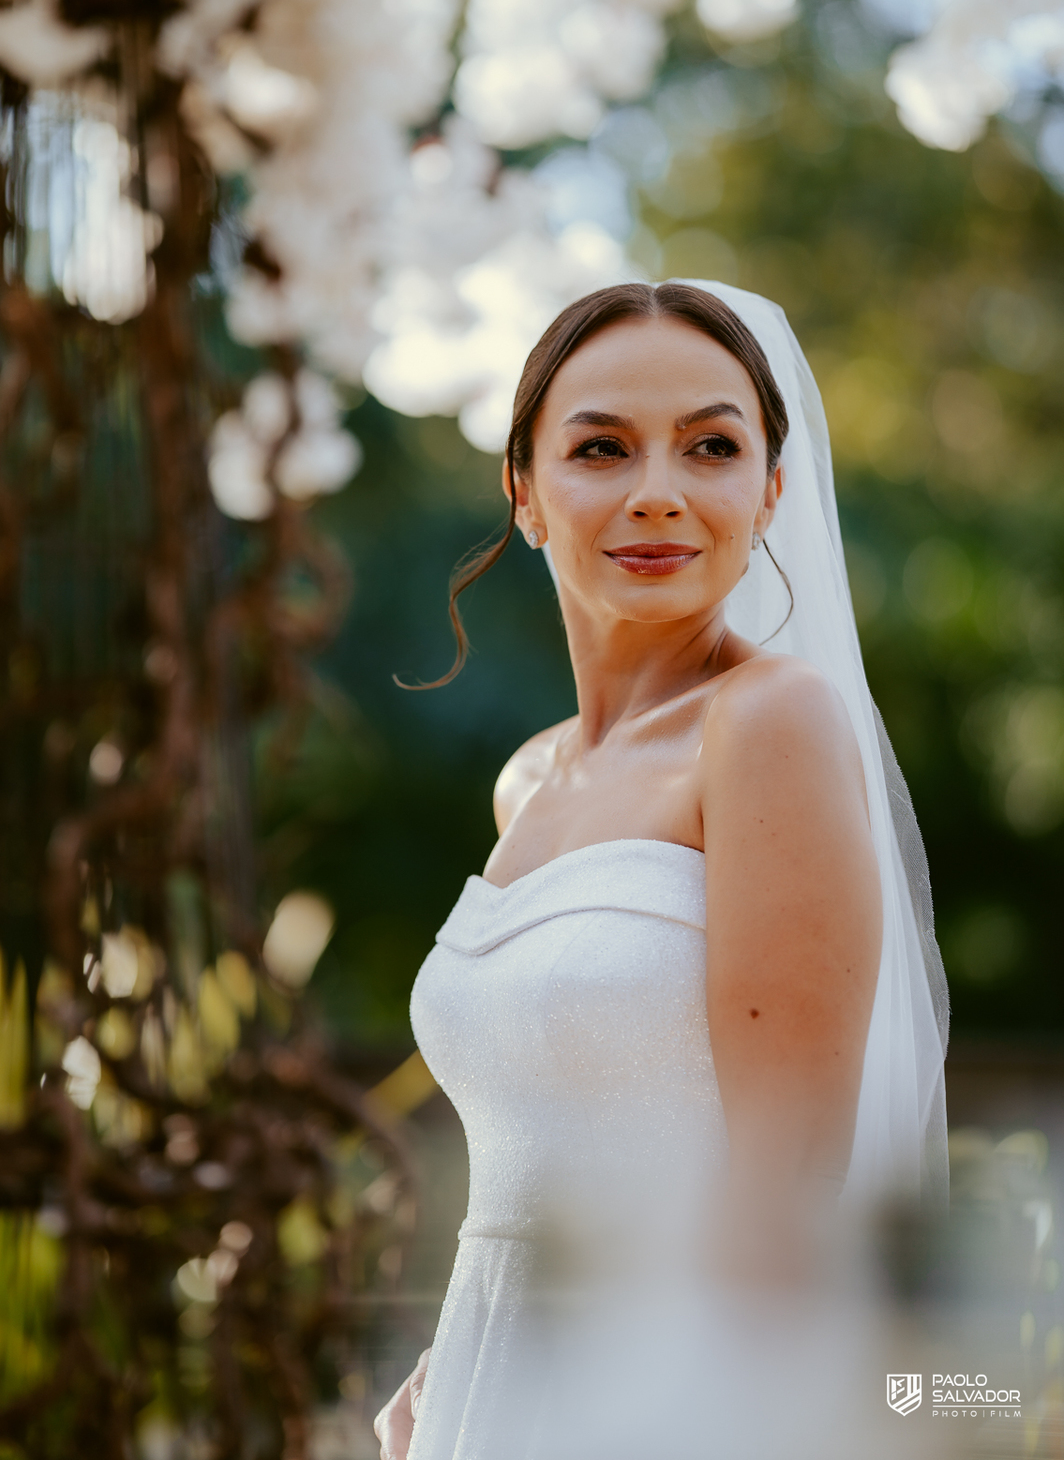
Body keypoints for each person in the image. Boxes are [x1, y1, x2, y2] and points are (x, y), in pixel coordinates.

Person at [374, 281, 948, 1460]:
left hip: (666, 1404)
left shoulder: (771, 726)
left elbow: (787, 1186)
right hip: (493, 1383)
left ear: (770, 491)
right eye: (600, 447)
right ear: (525, 494)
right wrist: (460, 1361)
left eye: (711, 447)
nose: (658, 493)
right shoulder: (527, 783)